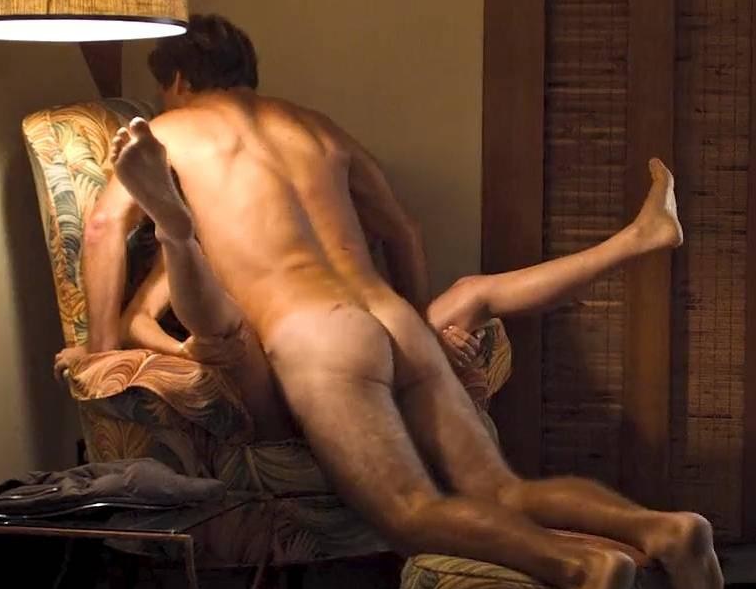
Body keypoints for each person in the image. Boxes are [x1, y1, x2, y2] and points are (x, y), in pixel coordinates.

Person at [73, 14, 721, 589]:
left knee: (409, 512)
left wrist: (100, 350)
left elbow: (102, 226)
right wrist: (419, 331)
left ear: (177, 80)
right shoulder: (316, 128)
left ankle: (580, 567)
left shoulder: (169, 132)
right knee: (502, 488)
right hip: (393, 317)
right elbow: (402, 231)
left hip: (315, 333)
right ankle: (662, 527)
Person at [63, 157, 684, 440]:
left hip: (348, 351)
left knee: (472, 293)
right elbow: (138, 321)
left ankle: (639, 238)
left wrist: (422, 338)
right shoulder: (187, 246)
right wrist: (188, 352)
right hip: (283, 380)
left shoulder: (272, 234)